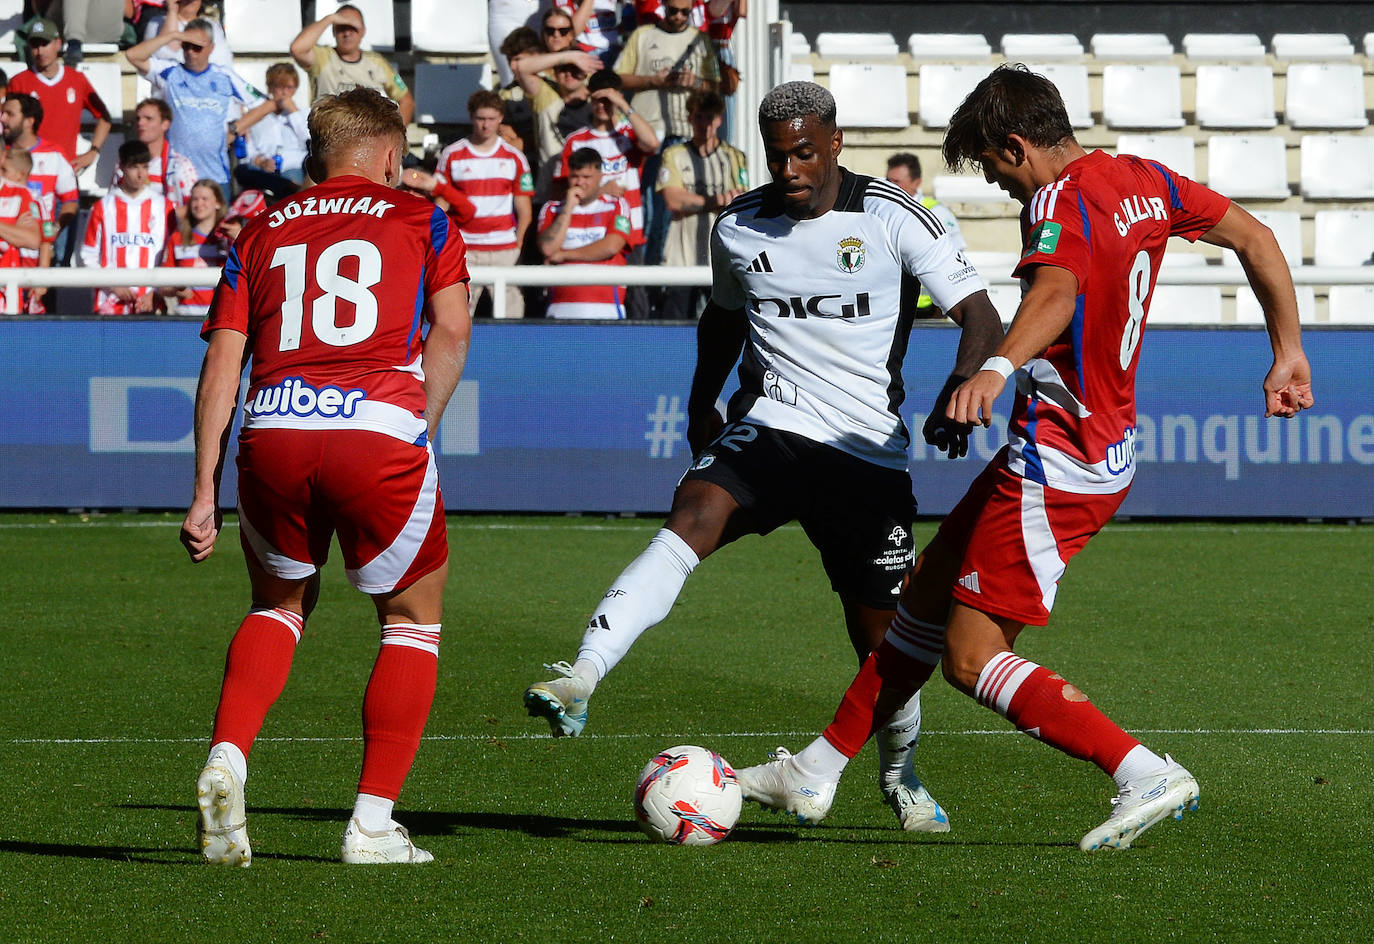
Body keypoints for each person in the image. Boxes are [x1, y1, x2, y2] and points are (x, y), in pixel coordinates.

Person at [734, 64, 1315, 851]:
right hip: (1083, 446)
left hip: (1061, 459)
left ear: (1016, 144)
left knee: (970, 660)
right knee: (925, 596)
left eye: (997, 169)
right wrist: (1288, 352)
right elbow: (1257, 235)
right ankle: (816, 768)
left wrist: (996, 368)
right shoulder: (1143, 177)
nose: (1004, 189)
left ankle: (1141, 769)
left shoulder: (1057, 200)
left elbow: (1056, 293)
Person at [522, 81, 1003, 833]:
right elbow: (721, 321)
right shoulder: (739, 226)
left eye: (805, 153)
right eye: (779, 156)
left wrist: (963, 388)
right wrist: (698, 403)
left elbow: (981, 315)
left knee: (885, 640)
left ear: (836, 143)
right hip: (770, 426)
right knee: (694, 513)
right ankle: (583, 671)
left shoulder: (894, 218)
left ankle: (901, 774)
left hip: (863, 451)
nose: (791, 170)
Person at [179, 87, 473, 866]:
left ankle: (228, 759)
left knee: (277, 604)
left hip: (273, 425)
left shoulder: (260, 228)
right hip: (374, 426)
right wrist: (421, 425)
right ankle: (372, 827)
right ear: (385, 153)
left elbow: (222, 360)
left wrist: (205, 486)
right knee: (413, 617)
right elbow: (451, 328)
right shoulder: (422, 216)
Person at [615, 0, 719, 263]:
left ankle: (667, 280)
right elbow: (618, 77)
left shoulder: (699, 39)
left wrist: (694, 82)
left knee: (675, 212)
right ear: (663, 7)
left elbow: (716, 87)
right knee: (647, 207)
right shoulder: (643, 35)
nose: (679, 17)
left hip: (686, 132)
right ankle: (645, 276)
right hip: (648, 134)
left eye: (685, 12)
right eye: (674, 11)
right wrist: (654, 81)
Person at [426, 90, 533, 318]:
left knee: (512, 315)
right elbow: (442, 201)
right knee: (459, 314)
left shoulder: (514, 157)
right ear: (471, 117)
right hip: (466, 248)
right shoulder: (452, 153)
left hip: (504, 248)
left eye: (491, 119)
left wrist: (518, 244)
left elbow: (524, 209)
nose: (486, 125)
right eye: (481, 119)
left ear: (501, 118)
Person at [126, 18, 263, 194]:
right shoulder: (170, 72)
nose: (191, 52)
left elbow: (265, 104)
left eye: (197, 47)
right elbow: (132, 56)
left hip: (215, 175)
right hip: (176, 174)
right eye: (186, 46)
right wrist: (174, 35)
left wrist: (235, 128)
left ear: (211, 48)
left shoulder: (224, 76)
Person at [655, 89, 745, 319]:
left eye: (710, 117)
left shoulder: (733, 156)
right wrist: (715, 201)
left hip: (720, 258)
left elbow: (739, 199)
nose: (704, 124)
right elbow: (673, 200)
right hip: (681, 257)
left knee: (721, 328)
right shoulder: (674, 154)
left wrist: (693, 202)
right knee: (674, 325)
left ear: (719, 120)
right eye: (699, 117)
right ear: (689, 118)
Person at [557, 68, 657, 246]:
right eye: (597, 100)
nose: (602, 106)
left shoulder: (630, 134)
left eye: (607, 100)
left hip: (630, 232)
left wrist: (622, 104)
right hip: (588, 234)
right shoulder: (575, 141)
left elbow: (652, 143)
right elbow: (560, 192)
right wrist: (600, 191)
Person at [536, 145, 631, 319]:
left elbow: (611, 246)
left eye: (587, 177)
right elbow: (548, 249)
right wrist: (568, 208)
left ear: (600, 177)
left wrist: (564, 255)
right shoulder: (551, 209)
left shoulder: (616, 206)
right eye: (575, 176)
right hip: (559, 311)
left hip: (607, 312)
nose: (580, 183)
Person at [80, 139, 174, 315]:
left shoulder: (163, 206)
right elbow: (88, 256)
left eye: (145, 167)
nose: (141, 174)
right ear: (121, 167)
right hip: (110, 303)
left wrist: (156, 291)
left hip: (150, 303)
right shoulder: (103, 207)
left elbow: (172, 256)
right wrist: (113, 285)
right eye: (134, 167)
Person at [2, 92, 78, 309]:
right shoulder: (2, 153)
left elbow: (70, 201)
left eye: (9, 114)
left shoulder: (54, 155)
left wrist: (53, 229)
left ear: (29, 121)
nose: (3, 119)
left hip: (37, 258)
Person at [8, 18, 112, 171]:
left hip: (65, 167)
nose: (40, 51)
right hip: (29, 169)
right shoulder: (19, 82)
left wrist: (93, 151)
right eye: (35, 45)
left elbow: (105, 117)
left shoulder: (77, 80)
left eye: (45, 44)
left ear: (58, 43)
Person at [290, 4, 415, 126]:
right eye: (341, 27)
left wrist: (393, 135)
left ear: (363, 31)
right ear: (333, 31)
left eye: (352, 28)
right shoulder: (323, 57)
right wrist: (330, 19)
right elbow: (297, 49)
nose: (347, 33)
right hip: (330, 136)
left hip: (368, 137)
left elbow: (406, 101)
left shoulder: (377, 63)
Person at [886, 153, 967, 317]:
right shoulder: (883, 212)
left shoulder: (937, 213)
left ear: (916, 183)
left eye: (896, 182)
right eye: (888, 181)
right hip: (893, 306)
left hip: (930, 309)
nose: (890, 187)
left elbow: (956, 257)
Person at [231, 62, 310, 198]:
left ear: (295, 89)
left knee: (292, 178)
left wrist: (293, 111)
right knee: (244, 172)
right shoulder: (257, 115)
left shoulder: (302, 114)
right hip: (264, 168)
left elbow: (308, 140)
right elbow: (247, 150)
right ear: (270, 88)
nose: (284, 92)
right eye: (279, 87)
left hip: (293, 167)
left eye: (289, 87)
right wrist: (260, 162)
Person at [117, 98, 199, 210]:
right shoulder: (124, 164)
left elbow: (194, 208)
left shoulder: (180, 166)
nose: (140, 123)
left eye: (148, 119)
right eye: (138, 118)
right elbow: (113, 204)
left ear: (165, 125)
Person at [163, 178, 227, 315]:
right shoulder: (177, 238)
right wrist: (175, 289)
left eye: (205, 199)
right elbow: (163, 285)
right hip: (185, 319)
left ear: (218, 203)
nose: (199, 204)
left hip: (218, 319)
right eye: (195, 199)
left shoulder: (227, 239)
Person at [0, 148, 44, 313]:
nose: (2, 174)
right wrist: (12, 228)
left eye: (5, 170)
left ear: (21, 174)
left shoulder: (32, 199)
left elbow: (41, 241)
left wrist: (42, 278)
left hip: (25, 275)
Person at [141, 0, 234, 70]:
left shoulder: (212, 24)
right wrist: (172, 11)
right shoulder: (156, 23)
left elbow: (224, 61)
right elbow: (164, 55)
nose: (190, 1)